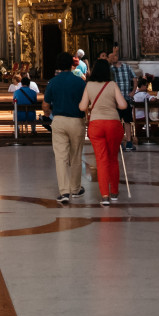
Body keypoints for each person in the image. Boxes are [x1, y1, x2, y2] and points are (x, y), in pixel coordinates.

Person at [79, 56, 127, 206]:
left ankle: (104, 196)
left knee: (101, 160)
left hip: (96, 125)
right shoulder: (112, 85)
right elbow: (123, 105)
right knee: (113, 158)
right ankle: (114, 193)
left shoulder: (89, 85)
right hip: (113, 123)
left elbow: (81, 107)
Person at [43, 51, 86, 204]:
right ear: (71, 64)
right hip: (76, 121)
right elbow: (85, 103)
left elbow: (46, 105)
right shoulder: (80, 81)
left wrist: (48, 113)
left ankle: (64, 192)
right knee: (76, 155)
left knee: (60, 157)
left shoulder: (53, 82)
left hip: (59, 120)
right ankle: (75, 189)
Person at [107, 45, 137, 148]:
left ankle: (129, 141)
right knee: (116, 121)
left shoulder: (127, 67)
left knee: (127, 120)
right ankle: (118, 141)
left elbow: (134, 78)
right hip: (115, 100)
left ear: (118, 57)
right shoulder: (110, 69)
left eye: (114, 56)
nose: (113, 58)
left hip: (126, 97)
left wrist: (133, 91)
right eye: (111, 57)